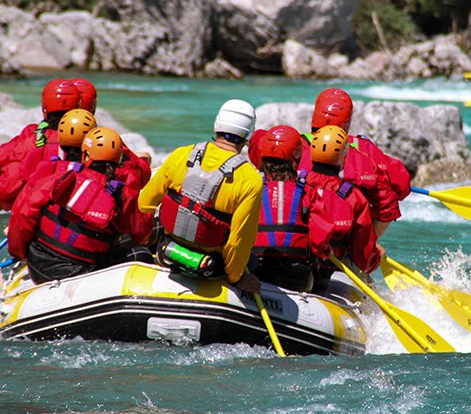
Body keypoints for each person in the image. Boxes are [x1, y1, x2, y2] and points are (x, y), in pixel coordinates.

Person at [139, 99, 263, 293]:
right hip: (210, 267)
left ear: (217, 125)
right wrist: (237, 278)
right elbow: (239, 241)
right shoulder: (251, 180)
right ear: (248, 135)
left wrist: (147, 243)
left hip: (167, 252)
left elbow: (144, 205)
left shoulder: (181, 155)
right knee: (255, 261)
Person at [7, 127, 154, 284]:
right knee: (142, 254)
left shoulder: (59, 177)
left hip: (36, 264)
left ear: (85, 155)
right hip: (79, 274)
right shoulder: (124, 195)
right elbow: (142, 235)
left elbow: (24, 215)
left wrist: (19, 253)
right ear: (118, 160)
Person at [303, 88, 408, 238]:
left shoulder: (297, 144)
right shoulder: (364, 147)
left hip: (300, 239)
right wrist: (371, 243)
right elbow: (400, 186)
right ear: (347, 120)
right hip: (347, 243)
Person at [302, 125, 381, 291]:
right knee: (369, 284)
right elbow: (363, 258)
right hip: (330, 270)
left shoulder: (295, 184)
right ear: (343, 159)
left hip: (293, 262)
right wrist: (376, 256)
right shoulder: (354, 197)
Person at [0, 79, 80, 211]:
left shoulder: (33, 138)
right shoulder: (91, 141)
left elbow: (8, 181)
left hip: (42, 215)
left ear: (45, 106)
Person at [250, 125, 317, 292]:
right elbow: (320, 238)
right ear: (297, 156)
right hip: (295, 276)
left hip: (255, 270)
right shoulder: (307, 192)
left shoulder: (251, 187)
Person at [70, 77, 151, 191]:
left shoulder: (38, 135)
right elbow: (137, 178)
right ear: (92, 106)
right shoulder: (104, 139)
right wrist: (143, 161)